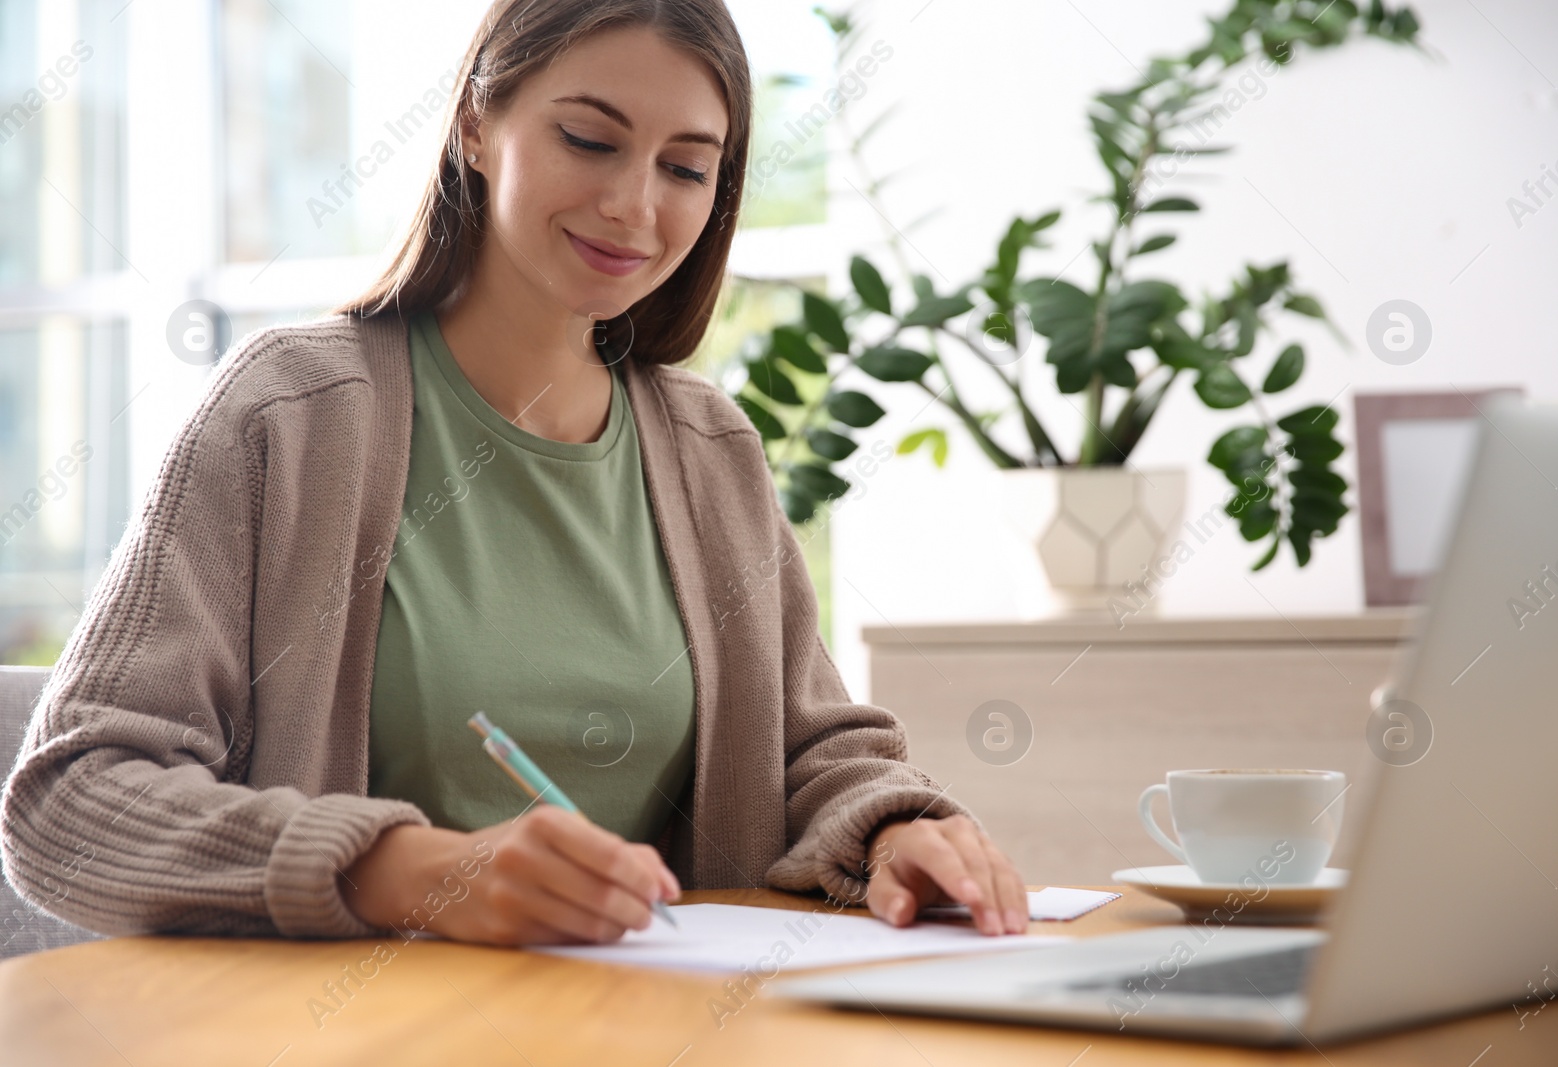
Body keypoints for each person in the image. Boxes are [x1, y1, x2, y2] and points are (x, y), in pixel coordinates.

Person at [0, 0, 1027, 947]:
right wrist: (404, 870)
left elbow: (808, 749)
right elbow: (72, 796)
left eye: (686, 167)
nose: (634, 205)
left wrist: (895, 828)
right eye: (589, 139)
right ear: (476, 127)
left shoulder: (709, 447)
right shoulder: (290, 414)